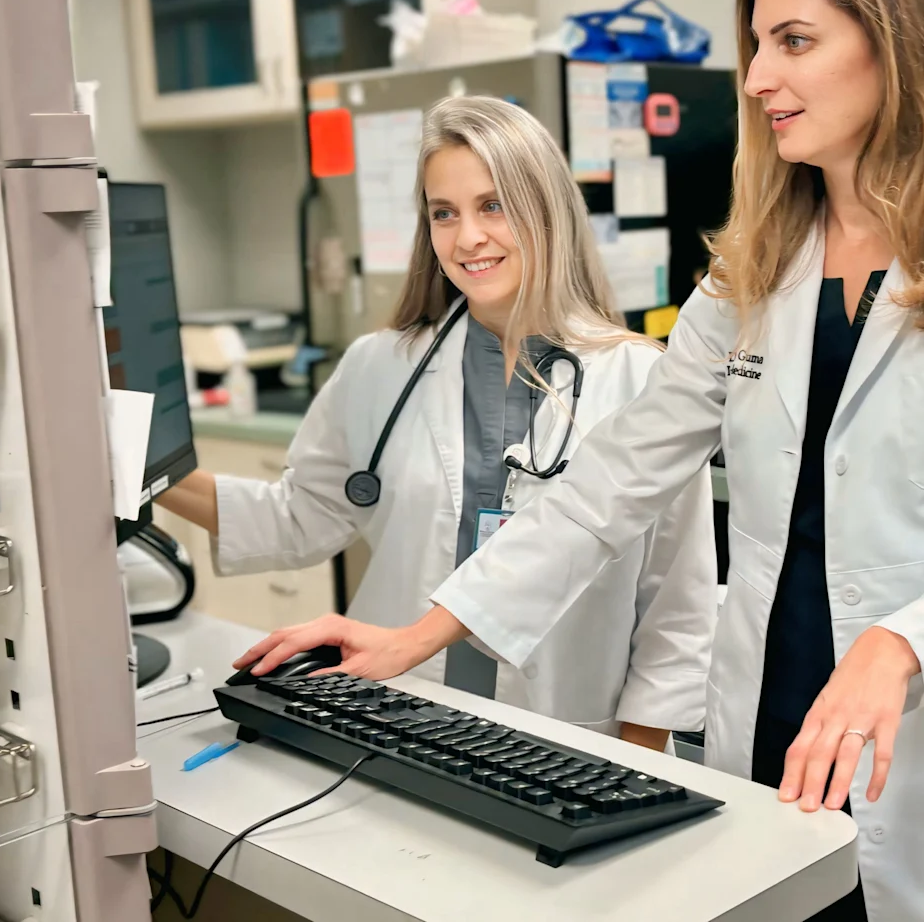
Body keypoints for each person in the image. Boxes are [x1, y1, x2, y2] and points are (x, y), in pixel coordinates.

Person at [239, 0, 924, 921]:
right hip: (781, 713)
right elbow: (610, 485)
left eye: (794, 42)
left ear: (898, 46)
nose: (757, 79)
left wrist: (903, 645)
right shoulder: (752, 270)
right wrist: (421, 632)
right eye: (758, 43)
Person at [164, 95, 717, 751]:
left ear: (548, 212)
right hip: (393, 716)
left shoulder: (639, 379)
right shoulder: (379, 366)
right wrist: (143, 471)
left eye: (494, 206)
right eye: (443, 214)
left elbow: (676, 605)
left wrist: (641, 761)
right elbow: (297, 519)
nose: (467, 238)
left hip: (566, 737)